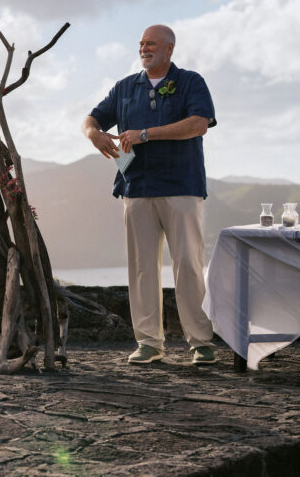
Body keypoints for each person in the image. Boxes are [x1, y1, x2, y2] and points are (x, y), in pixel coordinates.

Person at [83, 25, 217, 366]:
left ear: (169, 49)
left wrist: (145, 134)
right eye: (141, 44)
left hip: (181, 186)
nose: (144, 48)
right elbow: (92, 118)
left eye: (151, 44)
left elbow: (198, 124)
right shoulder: (126, 87)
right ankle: (149, 343)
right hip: (136, 187)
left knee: (188, 264)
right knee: (142, 268)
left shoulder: (190, 81)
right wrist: (93, 134)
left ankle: (200, 343)